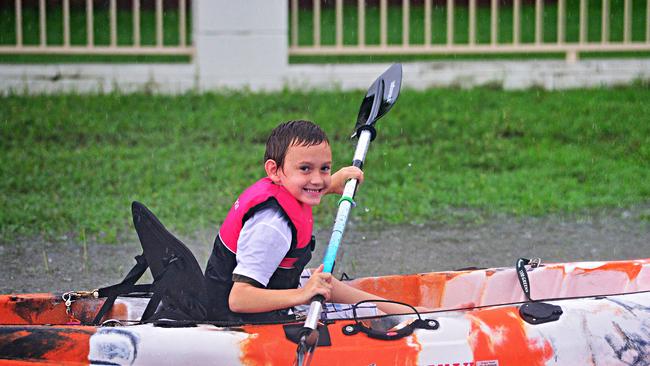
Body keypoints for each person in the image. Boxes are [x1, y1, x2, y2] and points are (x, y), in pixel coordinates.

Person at [204, 120, 419, 322]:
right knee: (369, 317)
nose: (317, 179)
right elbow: (239, 299)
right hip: (237, 322)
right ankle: (408, 320)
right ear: (274, 170)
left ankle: (419, 313)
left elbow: (295, 196)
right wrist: (303, 295)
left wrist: (331, 183)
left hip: (265, 295)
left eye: (324, 168)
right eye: (305, 168)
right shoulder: (271, 227)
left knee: (326, 283)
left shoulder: (283, 190)